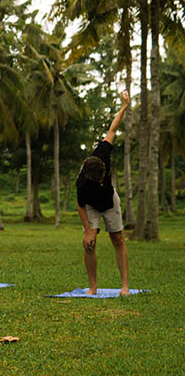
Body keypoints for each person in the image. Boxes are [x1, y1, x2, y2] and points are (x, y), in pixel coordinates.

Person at [76, 90, 130, 296]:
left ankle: (124, 286)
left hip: (110, 201)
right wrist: (88, 230)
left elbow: (113, 128)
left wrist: (124, 106)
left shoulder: (103, 152)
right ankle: (93, 287)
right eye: (97, 179)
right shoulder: (82, 183)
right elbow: (80, 205)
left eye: (102, 176)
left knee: (118, 239)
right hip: (90, 206)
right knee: (89, 244)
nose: (101, 180)